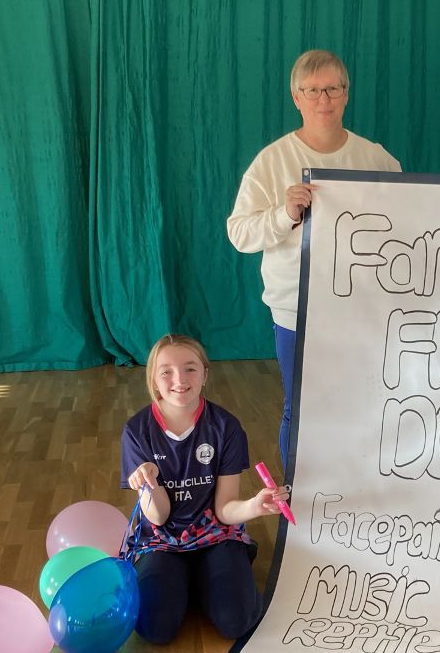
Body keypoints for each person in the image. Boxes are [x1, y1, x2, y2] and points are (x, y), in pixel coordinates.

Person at [227, 50, 401, 468]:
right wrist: (284, 215)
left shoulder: (377, 159)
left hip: (361, 307)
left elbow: (404, 224)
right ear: (296, 97)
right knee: (301, 407)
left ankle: (352, 502)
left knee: (362, 403)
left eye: (333, 89)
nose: (324, 99)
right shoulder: (272, 161)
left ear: (346, 94)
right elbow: (239, 232)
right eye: (313, 91)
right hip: (296, 308)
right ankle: (297, 500)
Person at [121, 333, 291, 644]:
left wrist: (255, 504)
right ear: (154, 380)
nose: (179, 379)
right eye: (166, 371)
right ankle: (192, 582)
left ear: (204, 374)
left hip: (215, 536)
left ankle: (206, 580)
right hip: (162, 542)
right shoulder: (137, 430)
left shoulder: (225, 427)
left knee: (238, 621)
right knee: (154, 627)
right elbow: (158, 517)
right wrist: (150, 483)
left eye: (190, 369)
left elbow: (225, 510)